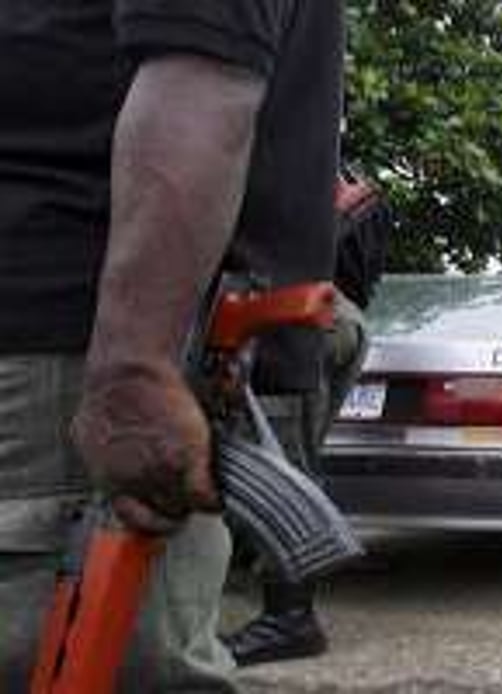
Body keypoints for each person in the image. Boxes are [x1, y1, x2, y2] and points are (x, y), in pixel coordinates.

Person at [0, 2, 345, 690]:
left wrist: (135, 368)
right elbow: (199, 70)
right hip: (64, 357)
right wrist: (135, 368)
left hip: (68, 356)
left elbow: (202, 71)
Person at [222, 173, 394, 667]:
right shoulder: (319, 157)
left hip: (288, 315)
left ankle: (291, 618)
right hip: (332, 313)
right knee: (286, 456)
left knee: (278, 461)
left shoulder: (254, 137)